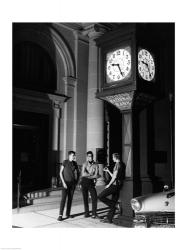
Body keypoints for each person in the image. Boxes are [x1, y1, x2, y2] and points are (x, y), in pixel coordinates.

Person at [98, 153, 125, 223]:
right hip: (118, 186)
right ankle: (109, 218)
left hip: (114, 185)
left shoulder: (117, 165)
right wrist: (108, 171)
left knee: (101, 196)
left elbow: (114, 177)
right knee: (113, 201)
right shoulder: (121, 164)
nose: (112, 158)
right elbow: (114, 175)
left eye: (113, 157)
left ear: (115, 157)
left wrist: (109, 185)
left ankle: (116, 205)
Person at [57, 151, 79, 221]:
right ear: (69, 156)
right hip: (65, 183)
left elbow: (78, 172)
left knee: (70, 199)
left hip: (72, 184)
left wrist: (76, 181)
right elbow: (60, 173)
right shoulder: (65, 162)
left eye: (74, 155)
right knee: (63, 199)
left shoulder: (75, 163)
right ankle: (60, 215)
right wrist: (63, 182)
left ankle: (68, 214)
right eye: (73, 155)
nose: (74, 157)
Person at [80, 151, 100, 219]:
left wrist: (89, 175)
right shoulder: (84, 164)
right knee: (85, 199)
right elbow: (83, 174)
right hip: (84, 182)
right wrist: (91, 175)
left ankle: (94, 214)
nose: (90, 157)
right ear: (87, 157)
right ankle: (87, 213)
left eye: (91, 156)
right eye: (89, 156)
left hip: (91, 183)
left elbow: (97, 175)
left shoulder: (96, 165)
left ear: (92, 156)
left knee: (94, 198)